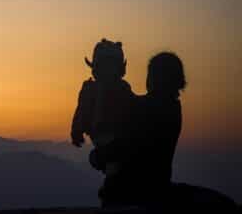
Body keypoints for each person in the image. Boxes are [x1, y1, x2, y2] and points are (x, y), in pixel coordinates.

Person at [91, 52, 237, 211]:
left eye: (151, 75)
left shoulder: (144, 107)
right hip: (156, 190)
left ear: (152, 80)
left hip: (129, 195)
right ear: (178, 81)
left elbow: (121, 148)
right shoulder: (172, 109)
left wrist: (96, 156)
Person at [70, 38, 134, 177]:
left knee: (114, 168)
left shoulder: (122, 89)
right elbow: (81, 110)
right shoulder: (91, 89)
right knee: (112, 167)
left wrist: (76, 131)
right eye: (105, 66)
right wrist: (76, 131)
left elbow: (133, 111)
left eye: (111, 66)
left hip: (118, 139)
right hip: (105, 139)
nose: (108, 71)